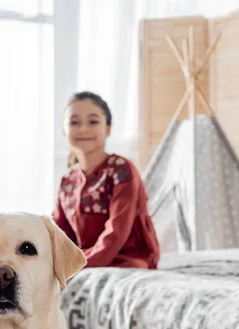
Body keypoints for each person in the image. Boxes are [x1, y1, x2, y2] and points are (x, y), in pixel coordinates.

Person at [52, 91, 160, 270]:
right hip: (85, 260)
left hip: (127, 260)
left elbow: (117, 231)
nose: (83, 128)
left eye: (93, 122)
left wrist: (81, 266)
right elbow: (59, 233)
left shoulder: (122, 170)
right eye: (74, 122)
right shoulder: (67, 180)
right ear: (64, 132)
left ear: (108, 129)